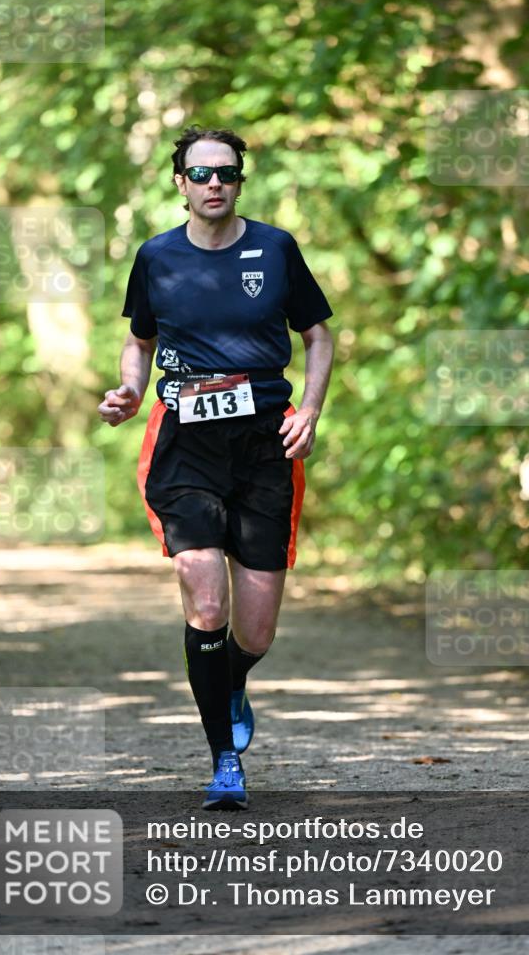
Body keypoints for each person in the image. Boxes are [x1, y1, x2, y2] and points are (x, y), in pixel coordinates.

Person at [98, 125, 334, 810]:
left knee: (254, 631)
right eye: (199, 174)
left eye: (225, 173)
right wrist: (130, 391)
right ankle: (223, 760)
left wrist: (310, 411)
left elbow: (316, 335)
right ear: (178, 183)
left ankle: (230, 681)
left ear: (239, 180)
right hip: (186, 443)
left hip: (265, 443)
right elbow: (139, 342)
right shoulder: (157, 257)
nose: (213, 185)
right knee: (204, 596)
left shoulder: (276, 248)